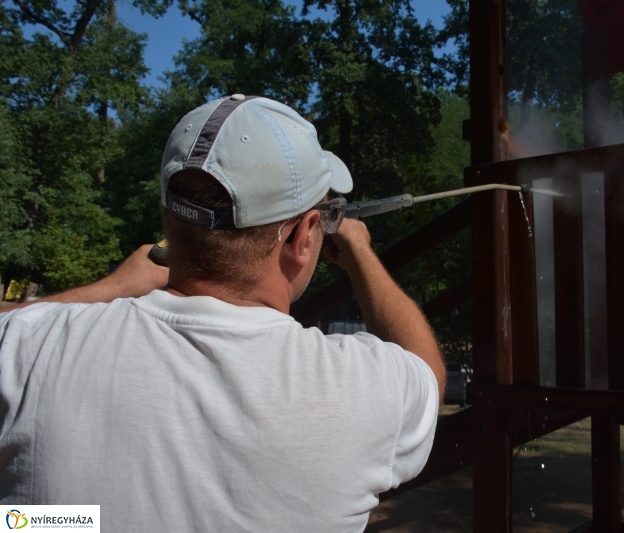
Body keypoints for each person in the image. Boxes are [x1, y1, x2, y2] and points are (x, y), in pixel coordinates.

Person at [0, 95, 444, 532]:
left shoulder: (31, 347)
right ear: (305, 235)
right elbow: (426, 372)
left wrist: (109, 289)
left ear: (169, 217)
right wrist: (362, 255)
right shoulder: (364, 388)